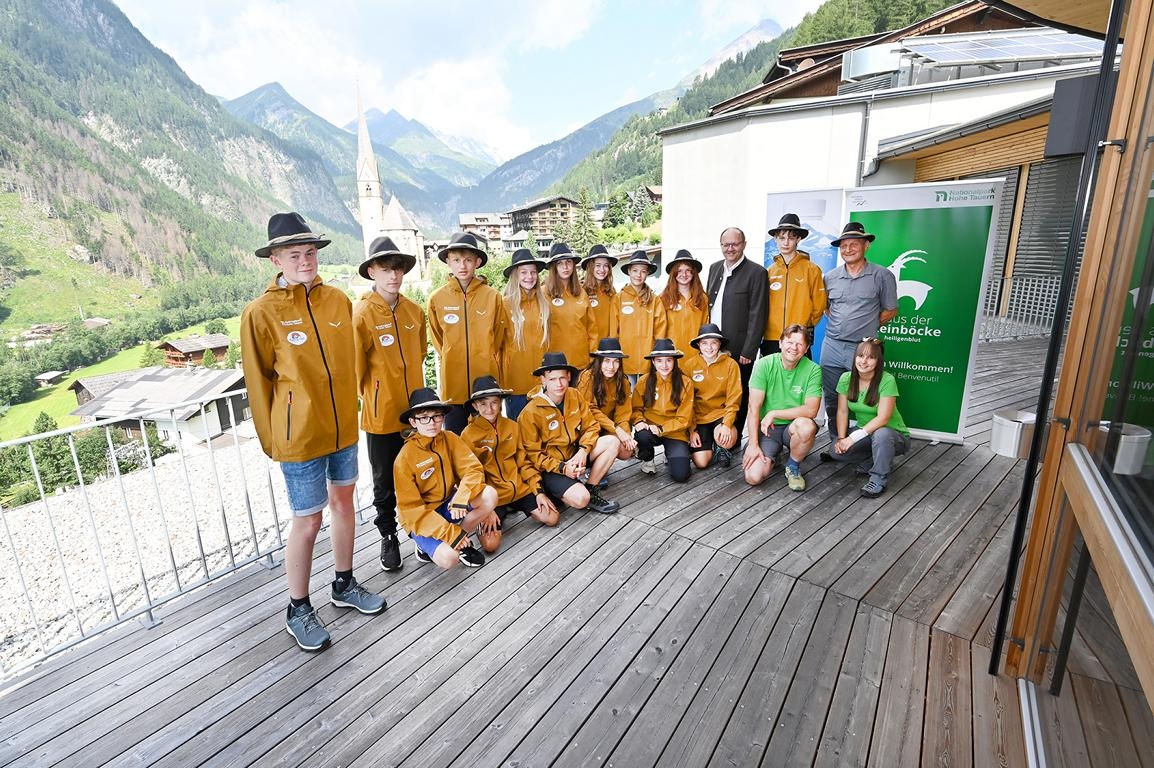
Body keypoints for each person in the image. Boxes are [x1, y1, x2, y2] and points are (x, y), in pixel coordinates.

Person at [241, 212, 385, 653]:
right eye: (293, 254)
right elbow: (258, 382)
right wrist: (274, 441)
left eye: (309, 253)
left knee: (345, 503)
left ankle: (343, 583)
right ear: (276, 261)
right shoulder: (261, 313)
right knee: (307, 520)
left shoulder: (337, 301)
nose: (304, 261)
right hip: (298, 435)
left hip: (342, 426)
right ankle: (298, 607)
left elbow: (350, 363)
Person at [352, 235, 426, 573]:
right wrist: (377, 394)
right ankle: (388, 536)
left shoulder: (414, 311)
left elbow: (421, 354)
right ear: (372, 271)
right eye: (385, 269)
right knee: (384, 483)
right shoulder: (362, 313)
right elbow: (356, 369)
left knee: (420, 475)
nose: (393, 276)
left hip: (416, 415)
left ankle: (422, 535)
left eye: (397, 269)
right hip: (381, 416)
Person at [394, 388, 500, 567]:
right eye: (424, 417)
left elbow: (472, 469)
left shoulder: (450, 438)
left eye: (437, 416)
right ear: (413, 421)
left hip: (448, 505)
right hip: (422, 518)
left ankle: (460, 537)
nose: (432, 423)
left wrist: (462, 496)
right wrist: (448, 533)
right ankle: (433, 544)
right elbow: (411, 511)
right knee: (450, 559)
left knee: (489, 495)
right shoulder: (404, 458)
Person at [518, 352, 621, 514]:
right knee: (581, 499)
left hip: (575, 456)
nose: (558, 384)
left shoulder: (575, 395)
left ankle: (591, 489)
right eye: (552, 379)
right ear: (543, 380)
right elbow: (532, 455)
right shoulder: (529, 413)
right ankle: (556, 491)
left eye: (562, 378)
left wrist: (583, 450)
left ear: (569, 376)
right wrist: (562, 468)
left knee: (612, 442)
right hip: (552, 467)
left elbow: (592, 426)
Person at [428, 231, 511, 434]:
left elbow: (500, 338)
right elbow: (439, 340)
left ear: (477, 262)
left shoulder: (493, 297)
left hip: (486, 388)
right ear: (448, 262)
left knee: (489, 442)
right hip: (453, 389)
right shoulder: (437, 299)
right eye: (456, 260)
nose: (462, 266)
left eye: (468, 260)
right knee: (456, 441)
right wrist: (452, 355)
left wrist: (487, 356)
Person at [821, 222, 898, 432]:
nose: (848, 249)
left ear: (866, 246)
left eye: (854, 244)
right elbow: (826, 308)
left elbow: (891, 310)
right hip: (832, 347)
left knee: (869, 398)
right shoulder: (830, 278)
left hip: (864, 348)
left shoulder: (882, 276)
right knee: (832, 398)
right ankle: (837, 441)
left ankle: (866, 441)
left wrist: (868, 324)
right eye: (844, 246)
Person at [460, 375, 560, 528]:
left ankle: (513, 506)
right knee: (490, 544)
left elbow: (524, 460)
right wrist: (486, 507)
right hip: (494, 496)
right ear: (475, 406)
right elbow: (469, 474)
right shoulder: (468, 434)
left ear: (501, 402)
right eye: (483, 404)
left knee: (552, 518)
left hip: (519, 489)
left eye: (494, 402)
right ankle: (502, 510)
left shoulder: (512, 426)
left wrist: (538, 491)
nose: (489, 409)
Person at [743, 324, 823, 490]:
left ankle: (793, 466)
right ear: (780, 343)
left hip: (793, 427)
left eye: (799, 344)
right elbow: (753, 408)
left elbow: (811, 410)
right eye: (789, 342)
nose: (793, 348)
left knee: (806, 426)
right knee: (753, 476)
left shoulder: (813, 369)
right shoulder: (764, 365)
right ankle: (773, 452)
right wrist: (753, 444)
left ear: (806, 348)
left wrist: (774, 412)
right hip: (767, 430)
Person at [829, 338, 911, 498]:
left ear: (878, 361)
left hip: (893, 436)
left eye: (870, 357)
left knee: (881, 434)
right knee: (835, 452)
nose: (864, 361)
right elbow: (842, 411)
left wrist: (853, 438)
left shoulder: (887, 380)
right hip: (866, 432)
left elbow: (883, 418)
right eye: (860, 356)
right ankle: (877, 459)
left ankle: (878, 478)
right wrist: (841, 438)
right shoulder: (846, 378)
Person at [706, 227, 768, 420]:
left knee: (738, 393)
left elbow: (758, 313)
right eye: (726, 244)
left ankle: (734, 437)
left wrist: (749, 350)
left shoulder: (757, 272)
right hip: (713, 345)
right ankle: (717, 433)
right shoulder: (714, 267)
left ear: (744, 244)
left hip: (740, 348)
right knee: (714, 391)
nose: (730, 248)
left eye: (735, 244)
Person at [763, 213, 826, 357]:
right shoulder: (769, 272)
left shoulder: (812, 269)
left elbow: (819, 305)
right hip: (772, 338)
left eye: (791, 238)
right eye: (782, 238)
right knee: (772, 378)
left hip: (798, 338)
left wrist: (803, 326)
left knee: (799, 379)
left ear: (798, 239)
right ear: (775, 239)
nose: (786, 243)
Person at [632, 339, 695, 482]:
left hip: (674, 432)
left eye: (668, 360)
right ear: (653, 362)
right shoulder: (644, 381)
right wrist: (639, 421)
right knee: (642, 435)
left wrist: (662, 428)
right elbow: (635, 408)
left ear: (674, 361)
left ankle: (671, 453)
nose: (664, 365)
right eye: (659, 360)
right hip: (650, 428)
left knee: (681, 475)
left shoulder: (686, 383)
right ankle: (647, 458)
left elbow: (684, 418)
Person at [682, 324, 741, 470]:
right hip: (698, 418)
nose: (709, 347)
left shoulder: (730, 365)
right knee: (701, 463)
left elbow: (734, 398)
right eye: (704, 343)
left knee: (727, 439)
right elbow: (685, 403)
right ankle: (709, 446)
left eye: (714, 342)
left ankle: (721, 447)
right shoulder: (689, 365)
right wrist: (691, 430)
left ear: (720, 344)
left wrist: (727, 424)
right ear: (698, 345)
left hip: (719, 414)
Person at [501, 248, 549, 420]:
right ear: (515, 275)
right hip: (515, 383)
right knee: (518, 431)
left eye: (533, 272)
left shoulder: (544, 303)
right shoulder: (505, 304)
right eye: (524, 272)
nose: (529, 277)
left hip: (541, 382)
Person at [576, 338, 637, 463]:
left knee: (627, 450)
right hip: (587, 428)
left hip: (608, 428)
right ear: (599, 361)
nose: (611, 367)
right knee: (613, 441)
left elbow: (623, 415)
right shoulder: (587, 377)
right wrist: (617, 430)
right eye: (607, 361)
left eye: (616, 362)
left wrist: (627, 436)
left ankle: (604, 460)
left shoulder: (623, 382)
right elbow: (589, 410)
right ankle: (590, 463)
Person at [612, 250, 668, 386]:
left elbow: (660, 329)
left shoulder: (654, 300)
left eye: (643, 271)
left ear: (647, 273)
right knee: (628, 394)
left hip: (648, 359)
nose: (639, 275)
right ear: (629, 272)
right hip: (626, 359)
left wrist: (657, 356)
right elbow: (614, 331)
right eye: (635, 270)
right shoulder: (618, 299)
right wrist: (615, 356)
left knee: (646, 395)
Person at [542, 242, 598, 369]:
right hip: (555, 363)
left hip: (581, 362)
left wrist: (592, 358)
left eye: (568, 262)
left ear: (573, 265)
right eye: (559, 263)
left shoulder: (582, 293)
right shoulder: (543, 293)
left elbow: (592, 329)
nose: (565, 267)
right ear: (553, 267)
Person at [660, 249, 711, 357]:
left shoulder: (703, 298)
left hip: (696, 355)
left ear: (693, 273)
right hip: (672, 355)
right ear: (674, 273)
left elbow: (705, 327)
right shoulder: (663, 298)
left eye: (688, 270)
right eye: (679, 271)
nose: (684, 274)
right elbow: (660, 329)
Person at [580, 244, 618, 341]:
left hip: (608, 347)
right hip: (589, 347)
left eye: (605, 266)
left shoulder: (612, 292)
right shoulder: (582, 291)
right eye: (598, 265)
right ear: (590, 267)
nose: (602, 269)